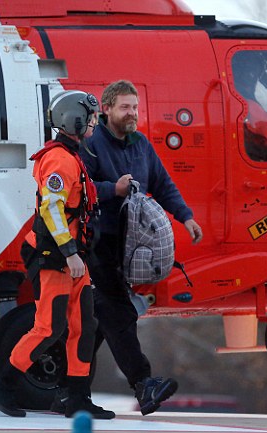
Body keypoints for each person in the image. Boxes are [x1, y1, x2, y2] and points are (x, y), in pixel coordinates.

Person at [0, 90, 114, 420]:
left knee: (83, 325)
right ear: (74, 119)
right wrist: (69, 253)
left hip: (73, 256)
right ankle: (2, 389)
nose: (96, 122)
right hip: (54, 255)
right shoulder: (58, 160)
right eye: (91, 117)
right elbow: (51, 208)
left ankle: (77, 397)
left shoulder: (72, 155)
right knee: (49, 327)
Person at [77, 79, 203, 416]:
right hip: (96, 243)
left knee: (101, 321)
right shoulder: (90, 143)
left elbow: (162, 184)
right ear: (106, 110)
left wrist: (186, 217)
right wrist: (110, 190)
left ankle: (66, 388)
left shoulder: (142, 145)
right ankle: (143, 383)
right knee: (118, 313)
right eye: (125, 107)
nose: (132, 113)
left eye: (135, 107)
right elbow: (79, 188)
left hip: (127, 247)